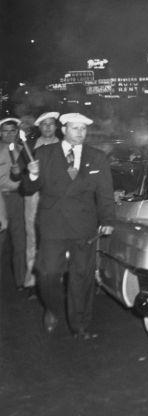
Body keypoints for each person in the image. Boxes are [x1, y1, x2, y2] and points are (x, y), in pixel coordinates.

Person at [23, 113, 114, 339]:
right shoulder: (44, 154)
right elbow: (27, 188)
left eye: (83, 128)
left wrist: (107, 220)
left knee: (81, 276)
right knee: (47, 274)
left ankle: (80, 325)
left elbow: (105, 193)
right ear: (63, 130)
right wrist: (32, 175)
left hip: (84, 224)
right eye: (75, 128)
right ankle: (52, 308)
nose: (80, 133)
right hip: (53, 223)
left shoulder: (97, 157)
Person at [26, 111, 61, 289]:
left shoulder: (65, 146)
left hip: (57, 199)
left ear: (56, 127)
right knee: (33, 237)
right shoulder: (29, 146)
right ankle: (33, 280)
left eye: (51, 124)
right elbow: (22, 177)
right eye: (44, 124)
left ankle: (56, 278)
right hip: (34, 197)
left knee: (57, 238)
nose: (48, 127)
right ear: (39, 127)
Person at [1, 117, 30, 290]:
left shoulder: (23, 151)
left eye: (13, 130)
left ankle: (21, 281)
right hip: (0, 199)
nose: (9, 134)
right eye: (5, 130)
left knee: (20, 242)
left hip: (18, 199)